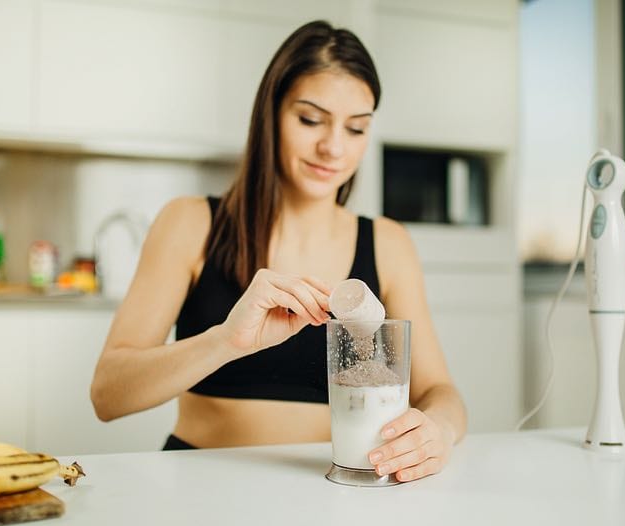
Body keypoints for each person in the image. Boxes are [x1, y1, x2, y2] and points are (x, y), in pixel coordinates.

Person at [90, 20, 467, 483]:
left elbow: (439, 391)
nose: (332, 147)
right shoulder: (190, 224)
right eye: (310, 120)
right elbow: (107, 394)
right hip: (199, 492)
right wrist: (226, 341)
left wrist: (440, 431)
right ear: (271, 114)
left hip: (331, 491)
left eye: (355, 129)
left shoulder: (389, 243)